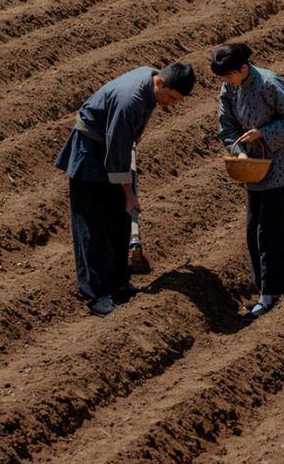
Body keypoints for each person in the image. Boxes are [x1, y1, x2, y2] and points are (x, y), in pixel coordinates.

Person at [55, 62, 195, 316]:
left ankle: (120, 284)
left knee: (119, 221)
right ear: (160, 83)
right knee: (93, 228)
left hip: (113, 147)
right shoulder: (130, 99)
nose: (171, 104)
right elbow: (116, 151)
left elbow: (125, 139)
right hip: (91, 153)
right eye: (171, 97)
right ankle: (96, 294)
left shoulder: (152, 82)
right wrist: (129, 194)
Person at [212, 42, 284, 320]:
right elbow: (225, 124)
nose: (225, 83)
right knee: (254, 231)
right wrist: (237, 151)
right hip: (251, 168)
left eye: (228, 76)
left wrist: (262, 134)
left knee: (271, 232)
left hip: (280, 168)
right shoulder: (230, 87)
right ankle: (265, 290)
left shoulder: (269, 83)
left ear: (243, 68)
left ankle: (272, 293)